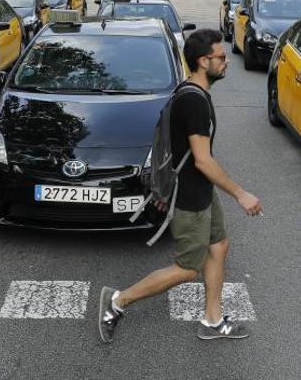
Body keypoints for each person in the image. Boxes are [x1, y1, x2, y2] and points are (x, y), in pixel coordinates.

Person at [98, 29, 263, 344]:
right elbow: (202, 160)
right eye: (221, 56)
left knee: (219, 246)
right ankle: (118, 301)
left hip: (201, 190)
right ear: (203, 61)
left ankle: (212, 320)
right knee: (188, 268)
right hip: (189, 197)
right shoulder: (193, 102)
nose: (227, 62)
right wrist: (241, 194)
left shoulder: (191, 91)